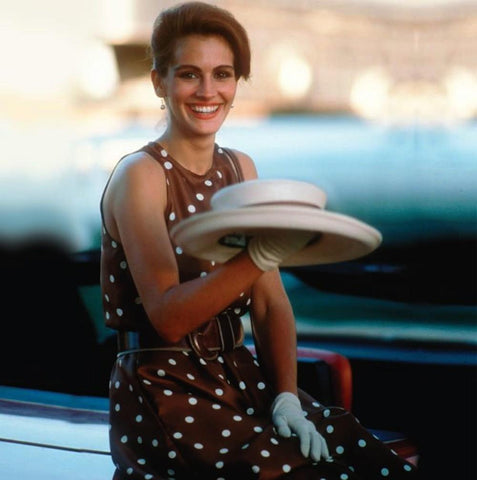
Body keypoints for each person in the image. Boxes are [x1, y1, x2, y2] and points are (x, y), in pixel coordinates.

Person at [100, 2, 418, 479]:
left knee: (362, 455)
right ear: (158, 82)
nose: (207, 91)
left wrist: (287, 396)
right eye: (189, 74)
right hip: (162, 390)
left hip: (239, 375)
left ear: (236, 83)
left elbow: (269, 304)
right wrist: (261, 253)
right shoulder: (140, 175)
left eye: (222, 74)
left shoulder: (239, 167)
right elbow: (168, 318)